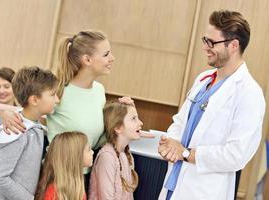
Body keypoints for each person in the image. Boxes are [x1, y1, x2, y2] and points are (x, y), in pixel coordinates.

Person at [158, 10, 266, 200]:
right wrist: (171, 144)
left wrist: (185, 153)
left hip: (205, 191)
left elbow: (236, 155)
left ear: (233, 45)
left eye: (212, 42)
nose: (205, 47)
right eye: (205, 40)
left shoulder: (249, 93)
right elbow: (180, 122)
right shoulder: (203, 79)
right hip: (175, 183)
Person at [0, 66, 59, 200]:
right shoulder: (16, 131)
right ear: (34, 100)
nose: (57, 100)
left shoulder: (36, 128)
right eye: (52, 94)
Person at [89, 102, 143, 200]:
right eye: (133, 118)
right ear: (118, 128)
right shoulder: (107, 157)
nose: (140, 123)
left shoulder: (126, 154)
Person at [35, 131, 93, 200]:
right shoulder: (52, 192)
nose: (92, 152)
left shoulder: (78, 186)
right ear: (75, 157)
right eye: (89, 149)